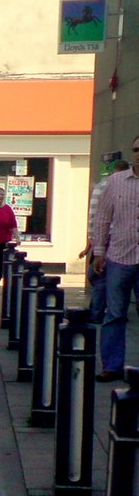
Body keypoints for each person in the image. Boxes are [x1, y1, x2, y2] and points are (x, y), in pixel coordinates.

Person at [91, 136, 139, 382]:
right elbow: (102, 219)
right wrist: (99, 252)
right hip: (120, 256)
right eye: (136, 149)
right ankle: (112, 366)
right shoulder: (116, 182)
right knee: (115, 314)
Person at [78, 159, 131, 322]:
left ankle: (99, 310)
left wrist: (92, 240)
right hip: (115, 240)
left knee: (101, 276)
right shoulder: (115, 186)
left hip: (104, 239)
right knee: (105, 277)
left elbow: (93, 215)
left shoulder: (101, 186)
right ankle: (101, 311)